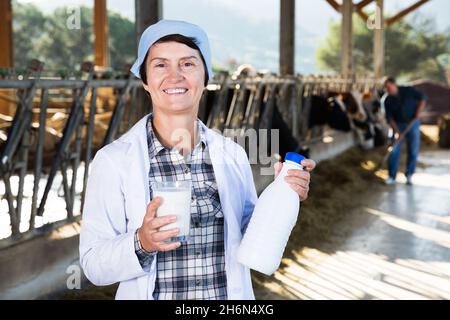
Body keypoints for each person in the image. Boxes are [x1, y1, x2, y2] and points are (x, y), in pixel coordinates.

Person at [79, 20, 316, 300]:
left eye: (188, 64)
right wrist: (142, 242)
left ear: (206, 78)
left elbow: (251, 239)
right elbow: (93, 264)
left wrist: (280, 195)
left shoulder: (232, 154)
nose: (175, 75)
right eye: (160, 65)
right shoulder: (114, 161)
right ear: (145, 80)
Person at [382, 76, 427, 185]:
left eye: (389, 87)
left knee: (413, 150)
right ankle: (392, 176)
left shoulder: (408, 90)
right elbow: (390, 118)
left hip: (413, 123)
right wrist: (397, 132)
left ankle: (409, 175)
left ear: (394, 84)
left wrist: (419, 112)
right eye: (386, 88)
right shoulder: (387, 100)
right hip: (398, 125)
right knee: (394, 150)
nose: (388, 90)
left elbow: (423, 98)